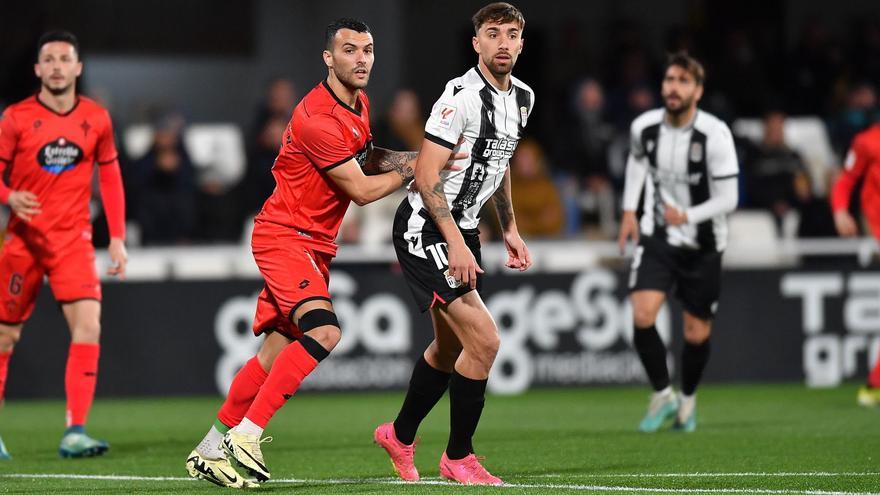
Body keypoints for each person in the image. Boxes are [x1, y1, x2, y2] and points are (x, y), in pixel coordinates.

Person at [184, 18, 464, 488]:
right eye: (350, 50)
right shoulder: (316, 117)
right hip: (285, 236)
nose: (361, 59)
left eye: (368, 50)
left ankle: (211, 447)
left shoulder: (358, 103)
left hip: (312, 242)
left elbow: (368, 156)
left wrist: (417, 156)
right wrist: (420, 169)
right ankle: (247, 435)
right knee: (326, 332)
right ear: (328, 58)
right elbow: (360, 189)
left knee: (274, 353)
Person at [374, 2, 533, 486]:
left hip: (461, 229)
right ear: (476, 43)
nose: (502, 43)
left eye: (511, 34)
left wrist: (508, 226)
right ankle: (458, 457)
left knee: (449, 350)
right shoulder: (459, 96)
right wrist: (457, 243)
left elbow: (498, 162)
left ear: (522, 43)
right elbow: (424, 175)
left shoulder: (522, 97)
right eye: (492, 33)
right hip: (426, 227)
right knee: (485, 339)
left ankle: (398, 436)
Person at [0, 31, 128, 460]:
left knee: (89, 326)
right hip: (23, 240)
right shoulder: (15, 118)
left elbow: (109, 177)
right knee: (4, 336)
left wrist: (117, 238)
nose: (56, 66)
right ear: (38, 69)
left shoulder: (97, 118)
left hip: (73, 240)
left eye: (64, 59)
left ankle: (75, 431)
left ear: (78, 68)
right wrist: (8, 196)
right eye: (49, 59)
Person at [617, 52, 738, 433]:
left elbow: (729, 199)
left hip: (703, 244)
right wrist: (628, 210)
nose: (674, 87)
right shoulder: (645, 127)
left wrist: (689, 216)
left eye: (684, 81)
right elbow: (638, 162)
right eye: (670, 79)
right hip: (658, 236)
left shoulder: (714, 135)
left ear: (698, 91)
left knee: (695, 334)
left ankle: (687, 401)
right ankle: (662, 394)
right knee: (641, 315)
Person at [830, 118, 880, 407]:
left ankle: (874, 385)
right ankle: (873, 385)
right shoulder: (867, 141)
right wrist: (840, 212)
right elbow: (846, 180)